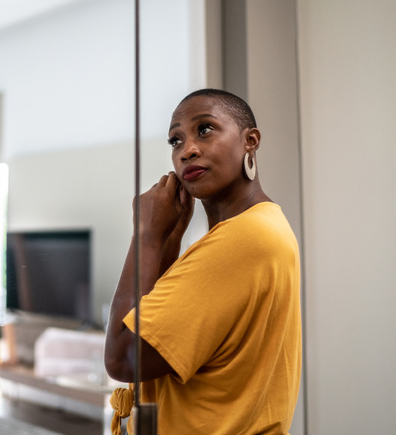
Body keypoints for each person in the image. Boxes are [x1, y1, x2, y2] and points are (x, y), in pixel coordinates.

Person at [104, 89, 301, 434]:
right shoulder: (260, 226)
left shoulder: (242, 238)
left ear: (250, 141)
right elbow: (157, 335)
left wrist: (145, 237)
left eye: (205, 129)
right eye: (175, 141)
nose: (187, 150)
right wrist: (169, 241)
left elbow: (123, 358)